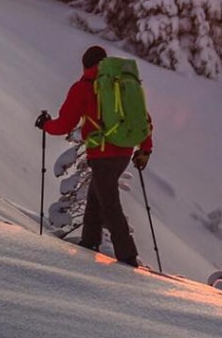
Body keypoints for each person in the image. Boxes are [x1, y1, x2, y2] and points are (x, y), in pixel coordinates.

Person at [36, 45, 152, 266]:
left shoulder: (84, 87)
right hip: (124, 152)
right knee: (97, 195)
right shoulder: (122, 84)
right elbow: (142, 119)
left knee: (109, 203)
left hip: (102, 153)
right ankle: (90, 241)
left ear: (85, 65)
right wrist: (145, 148)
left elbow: (64, 124)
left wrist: (46, 125)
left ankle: (127, 256)